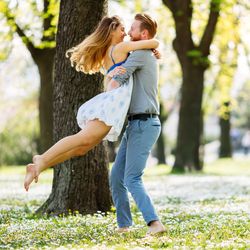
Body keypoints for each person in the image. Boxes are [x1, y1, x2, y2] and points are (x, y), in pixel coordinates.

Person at [23, 15, 159, 192]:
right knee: (83, 139)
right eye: (122, 29)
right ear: (111, 30)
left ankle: (40, 166)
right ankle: (41, 159)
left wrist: (112, 76)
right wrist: (153, 49)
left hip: (112, 102)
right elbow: (154, 43)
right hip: (113, 105)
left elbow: (111, 79)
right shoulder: (122, 47)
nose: (125, 33)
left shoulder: (108, 52)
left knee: (82, 148)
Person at [109, 13, 166, 235]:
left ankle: (155, 223)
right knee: (116, 177)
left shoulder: (141, 53)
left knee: (132, 178)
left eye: (132, 29)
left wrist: (109, 82)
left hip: (145, 123)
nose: (128, 33)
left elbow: (119, 78)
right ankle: (124, 226)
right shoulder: (144, 51)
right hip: (135, 125)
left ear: (143, 34)